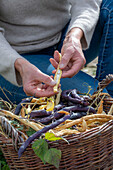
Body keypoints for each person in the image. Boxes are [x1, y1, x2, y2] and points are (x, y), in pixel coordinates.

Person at [0, 0, 112, 104]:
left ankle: (110, 96)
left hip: (63, 38)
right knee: (96, 100)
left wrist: (74, 35)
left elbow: (86, 3)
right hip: (14, 59)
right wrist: (20, 66)